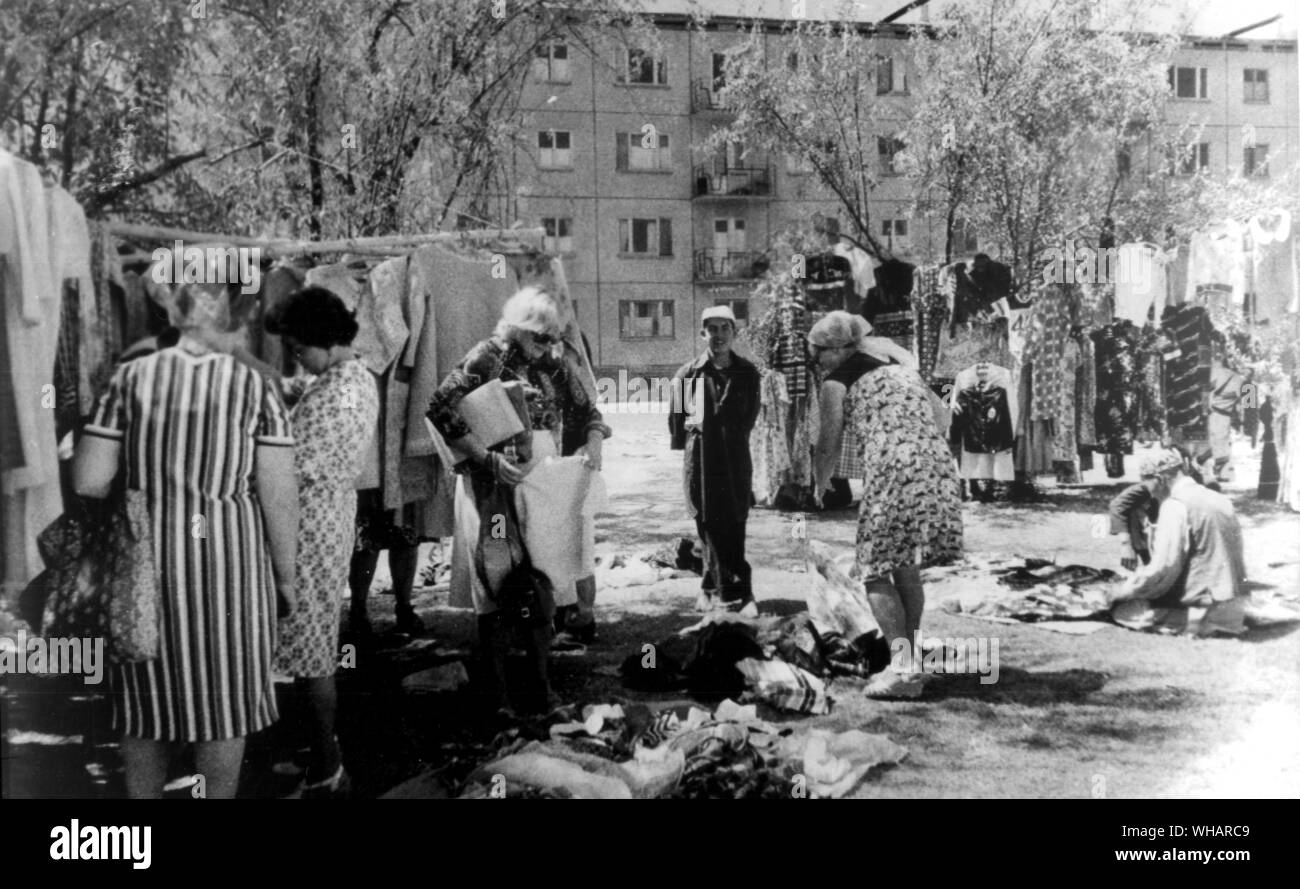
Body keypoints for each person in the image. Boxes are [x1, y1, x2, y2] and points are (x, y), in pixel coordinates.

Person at [73, 279, 299, 799]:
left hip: (143, 563)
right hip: (230, 568)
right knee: (223, 707)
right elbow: (279, 495)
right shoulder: (258, 385)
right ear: (233, 317)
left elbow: (89, 479)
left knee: (143, 705)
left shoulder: (128, 379)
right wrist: (285, 577)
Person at [428, 286, 609, 715]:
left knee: (543, 581)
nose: (549, 346)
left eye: (553, 337)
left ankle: (541, 685)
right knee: (496, 578)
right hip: (492, 484)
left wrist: (594, 440)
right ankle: (500, 694)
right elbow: (440, 407)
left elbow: (590, 411)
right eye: (540, 336)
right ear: (518, 328)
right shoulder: (486, 356)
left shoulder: (552, 362)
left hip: (540, 483)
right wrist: (484, 457)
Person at [809, 311, 962, 699]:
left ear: (841, 349)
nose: (818, 362)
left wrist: (820, 482)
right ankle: (909, 662)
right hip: (937, 467)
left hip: (895, 471)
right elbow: (943, 417)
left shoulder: (836, 382)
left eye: (821, 354)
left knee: (875, 570)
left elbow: (828, 440)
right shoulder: (897, 368)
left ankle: (903, 669)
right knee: (906, 568)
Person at [265, 286, 379, 798]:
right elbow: (294, 390)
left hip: (310, 523)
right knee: (306, 644)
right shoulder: (344, 376)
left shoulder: (340, 389)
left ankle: (329, 768)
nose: (295, 358)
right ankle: (313, 754)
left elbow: (291, 465)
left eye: (298, 347)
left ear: (325, 340)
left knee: (310, 651)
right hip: (323, 519)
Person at [669, 305, 761, 615]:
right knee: (707, 526)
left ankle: (730, 589)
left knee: (735, 523)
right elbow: (677, 422)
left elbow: (750, 417)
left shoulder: (747, 373)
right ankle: (721, 590)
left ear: (734, 333)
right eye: (713, 329)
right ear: (703, 333)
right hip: (702, 461)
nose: (719, 335)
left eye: (725, 328)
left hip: (734, 459)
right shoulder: (687, 373)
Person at [1109, 449, 1249, 637]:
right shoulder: (1220, 499)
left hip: (1201, 611)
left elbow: (1164, 566)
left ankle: (1195, 626)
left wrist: (1127, 590)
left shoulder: (1175, 506)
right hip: (1235, 607)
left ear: (1160, 478)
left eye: (1146, 482)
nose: (1148, 491)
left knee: (1121, 611)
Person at [1107, 445, 1218, 569]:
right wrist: (1126, 545)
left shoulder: (1183, 491)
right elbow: (1117, 505)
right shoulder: (1148, 486)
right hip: (1148, 536)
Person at [1208, 347, 1245, 483]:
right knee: (1222, 443)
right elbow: (1249, 400)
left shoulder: (1211, 373)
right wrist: (1243, 418)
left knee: (1216, 443)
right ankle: (1224, 472)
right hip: (1226, 414)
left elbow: (1206, 394)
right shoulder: (1237, 377)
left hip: (1213, 414)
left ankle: (1220, 472)